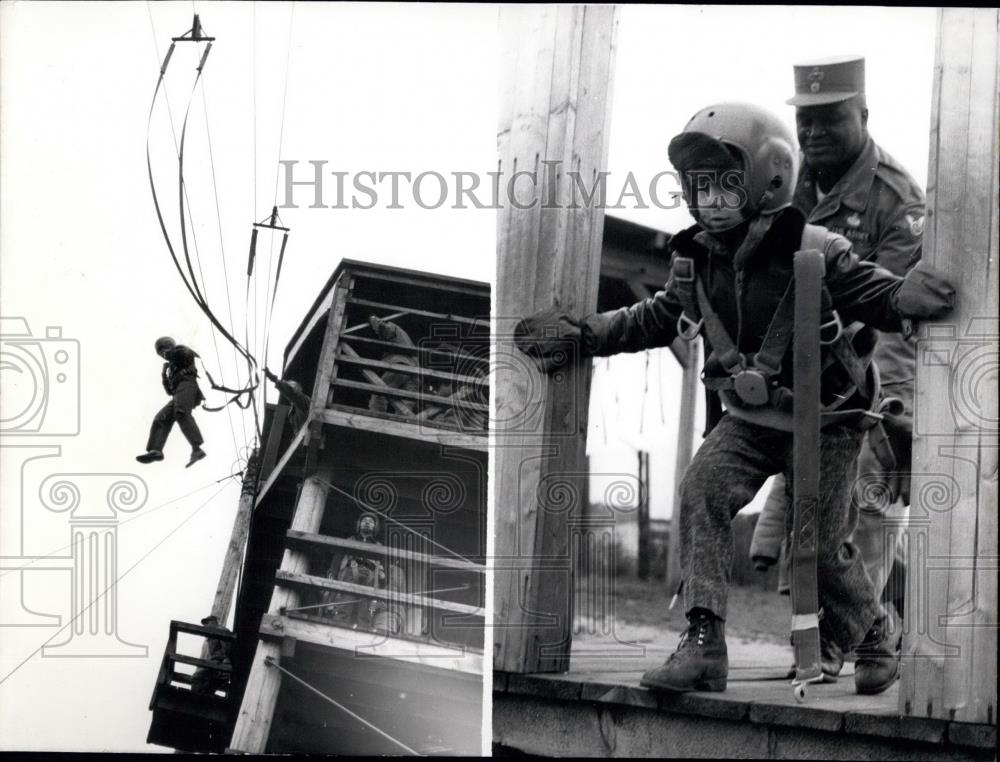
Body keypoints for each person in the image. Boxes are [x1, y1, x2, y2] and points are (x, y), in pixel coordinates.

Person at [515, 102, 955, 695]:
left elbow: (868, 290)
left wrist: (902, 299)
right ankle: (704, 643)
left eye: (727, 184)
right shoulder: (694, 262)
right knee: (702, 488)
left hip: (827, 418)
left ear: (767, 181)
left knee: (818, 547)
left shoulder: (816, 248)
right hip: (750, 419)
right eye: (700, 187)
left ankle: (875, 632)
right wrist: (585, 334)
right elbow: (653, 318)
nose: (713, 200)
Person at [749, 56, 924, 679]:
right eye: (806, 121)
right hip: (801, 377)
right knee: (816, 516)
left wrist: (892, 415)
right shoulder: (786, 184)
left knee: (867, 506)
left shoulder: (896, 200)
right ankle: (880, 625)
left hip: (872, 375)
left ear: (864, 117)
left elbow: (889, 311)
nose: (814, 133)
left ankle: (841, 642)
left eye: (831, 120)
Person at [320, 513, 405, 633]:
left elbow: (385, 573)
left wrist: (381, 581)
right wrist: (333, 582)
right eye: (364, 520)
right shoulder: (349, 541)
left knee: (365, 612)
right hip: (350, 574)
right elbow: (336, 564)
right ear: (359, 524)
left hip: (370, 577)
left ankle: (362, 636)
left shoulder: (379, 546)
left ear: (375, 527)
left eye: (371, 521)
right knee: (344, 607)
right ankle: (336, 633)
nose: (367, 523)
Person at [136, 336, 206, 468]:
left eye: (162, 350)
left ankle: (196, 449)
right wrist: (164, 375)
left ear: (168, 345)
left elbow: (183, 355)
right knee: (160, 418)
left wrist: (169, 354)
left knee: (181, 412)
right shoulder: (171, 368)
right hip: (177, 393)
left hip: (188, 385)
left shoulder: (181, 350)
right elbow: (169, 391)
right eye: (160, 352)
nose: (162, 354)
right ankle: (155, 450)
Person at [191, 614, 232, 697]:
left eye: (207, 623)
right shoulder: (210, 636)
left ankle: (194, 698)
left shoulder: (221, 630)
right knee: (205, 685)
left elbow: (228, 648)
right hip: (214, 665)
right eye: (204, 624)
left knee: (197, 677)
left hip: (220, 664)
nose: (205, 626)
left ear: (213, 622)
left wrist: (226, 665)